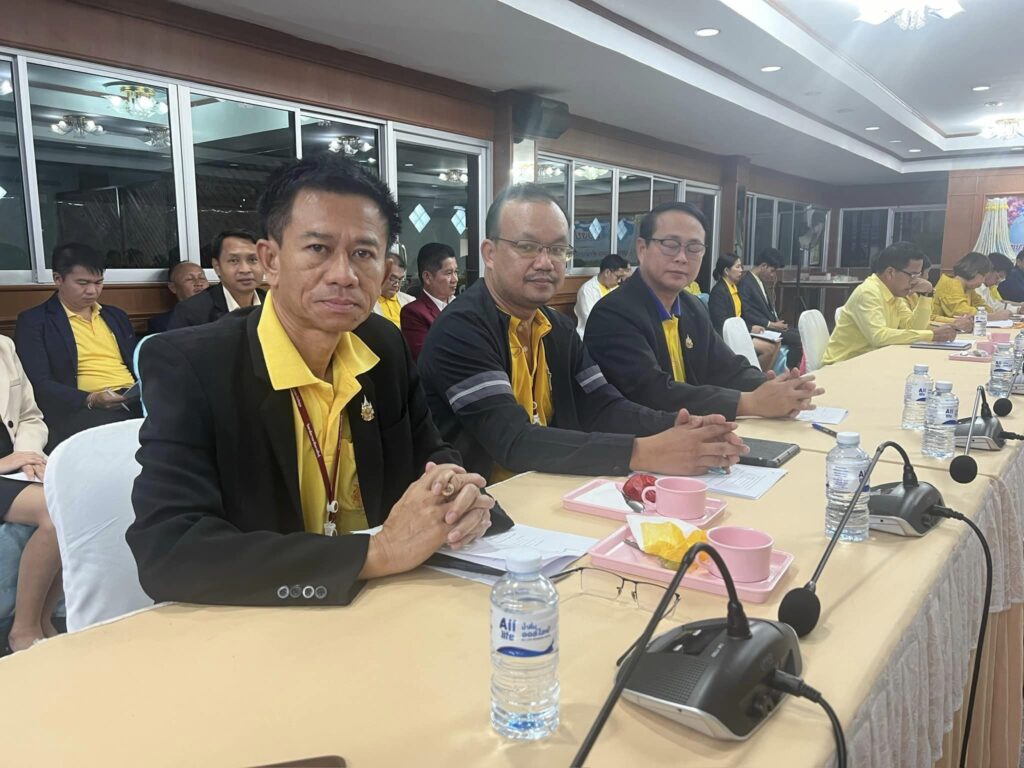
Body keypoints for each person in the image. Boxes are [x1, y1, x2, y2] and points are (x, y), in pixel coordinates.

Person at [128, 153, 501, 608]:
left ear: (385, 270)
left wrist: (459, 496)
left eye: (363, 253)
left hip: (387, 606)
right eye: (318, 249)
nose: (344, 275)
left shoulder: (382, 345)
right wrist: (377, 553)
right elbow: (168, 553)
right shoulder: (194, 364)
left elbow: (431, 456)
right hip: (259, 622)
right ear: (270, 260)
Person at [417, 184, 748, 484]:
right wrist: (642, 451)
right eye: (528, 246)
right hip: (481, 506)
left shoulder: (557, 328)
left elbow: (602, 405)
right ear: (489, 253)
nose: (546, 262)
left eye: (558, 249)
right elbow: (514, 441)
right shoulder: (462, 328)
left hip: (553, 489)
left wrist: (682, 426)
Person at [585, 202, 822, 420]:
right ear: (642, 248)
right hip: (644, 442)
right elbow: (653, 393)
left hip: (696, 430)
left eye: (694, 248)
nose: (681, 258)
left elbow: (727, 367)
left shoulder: (691, 307)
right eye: (670, 245)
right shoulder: (613, 314)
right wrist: (750, 402)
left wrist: (772, 387)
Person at [15, 243, 140, 445]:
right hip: (81, 407)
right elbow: (39, 382)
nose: (92, 291)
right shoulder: (35, 321)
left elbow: (137, 363)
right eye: (82, 283)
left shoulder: (115, 316)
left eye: (98, 283)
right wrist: (90, 399)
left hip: (133, 397)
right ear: (58, 279)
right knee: (121, 434)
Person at [0, 337, 61, 652]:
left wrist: (28, 456)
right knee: (53, 511)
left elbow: (29, 416)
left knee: (72, 499)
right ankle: (22, 631)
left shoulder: (4, 347)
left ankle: (43, 620)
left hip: (14, 464)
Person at [822, 242, 958, 365]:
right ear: (890, 272)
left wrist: (926, 295)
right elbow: (879, 337)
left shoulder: (894, 294)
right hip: (842, 366)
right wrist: (931, 335)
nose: (915, 282)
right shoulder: (868, 292)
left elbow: (913, 327)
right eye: (913, 275)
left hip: (870, 362)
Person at [168, 230, 266, 329]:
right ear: (217, 266)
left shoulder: (272, 303)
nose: (245, 270)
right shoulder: (190, 311)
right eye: (234, 261)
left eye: (253, 260)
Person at [707, 253, 780, 372]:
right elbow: (722, 323)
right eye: (737, 267)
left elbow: (740, 316)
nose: (741, 270)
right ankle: (755, 378)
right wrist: (750, 328)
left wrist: (752, 327)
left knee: (776, 343)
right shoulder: (718, 292)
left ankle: (762, 376)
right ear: (727, 271)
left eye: (741, 266)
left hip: (740, 332)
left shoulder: (734, 288)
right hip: (727, 336)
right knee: (768, 349)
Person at [739, 248, 803, 368]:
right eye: (772, 271)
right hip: (759, 328)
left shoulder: (758, 281)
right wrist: (771, 324)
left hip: (768, 325)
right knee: (798, 339)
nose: (773, 275)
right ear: (764, 266)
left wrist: (774, 323)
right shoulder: (745, 283)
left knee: (801, 334)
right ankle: (789, 370)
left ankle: (792, 368)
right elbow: (746, 312)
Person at [400, 243, 459, 360]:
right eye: (448, 273)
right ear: (427, 277)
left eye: (456, 272)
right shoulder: (413, 313)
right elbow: (428, 359)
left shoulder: (462, 305)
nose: (455, 279)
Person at [932, 252, 1011, 322]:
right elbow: (961, 311)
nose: (983, 281)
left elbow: (981, 306)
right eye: (983, 276)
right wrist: (992, 317)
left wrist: (992, 313)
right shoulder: (949, 284)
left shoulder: (968, 289)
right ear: (974, 272)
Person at [574, 253, 629, 337]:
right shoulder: (587, 290)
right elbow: (591, 320)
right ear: (607, 272)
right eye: (618, 277)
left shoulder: (616, 289)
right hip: (591, 336)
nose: (619, 281)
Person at [147, 261, 210, 334]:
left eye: (202, 278)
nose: (198, 283)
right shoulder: (163, 323)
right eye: (189, 279)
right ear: (173, 287)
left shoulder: (220, 315)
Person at [372, 245, 414, 327]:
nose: (397, 284)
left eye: (400, 279)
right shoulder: (367, 303)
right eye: (392, 278)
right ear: (379, 274)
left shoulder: (410, 301)